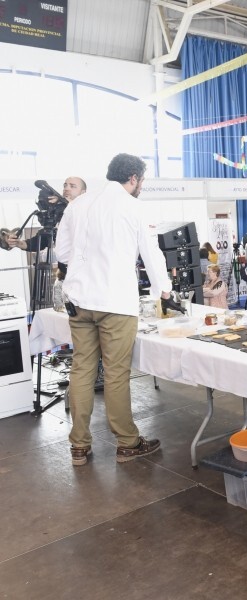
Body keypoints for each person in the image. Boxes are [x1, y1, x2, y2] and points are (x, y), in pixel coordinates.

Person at [55, 154, 172, 466]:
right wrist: (165, 290)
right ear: (133, 178)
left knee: (82, 369)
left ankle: (79, 446)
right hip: (115, 302)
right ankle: (127, 443)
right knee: (116, 373)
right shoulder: (134, 207)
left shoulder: (78, 204)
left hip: (79, 300)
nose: (141, 185)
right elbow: (151, 253)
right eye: (142, 180)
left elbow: (62, 252)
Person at [4, 176, 87, 251]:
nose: (66, 189)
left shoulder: (88, 212)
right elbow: (41, 241)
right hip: (65, 263)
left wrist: (70, 205)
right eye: (65, 186)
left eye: (72, 186)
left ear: (83, 192)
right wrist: (19, 243)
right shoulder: (59, 212)